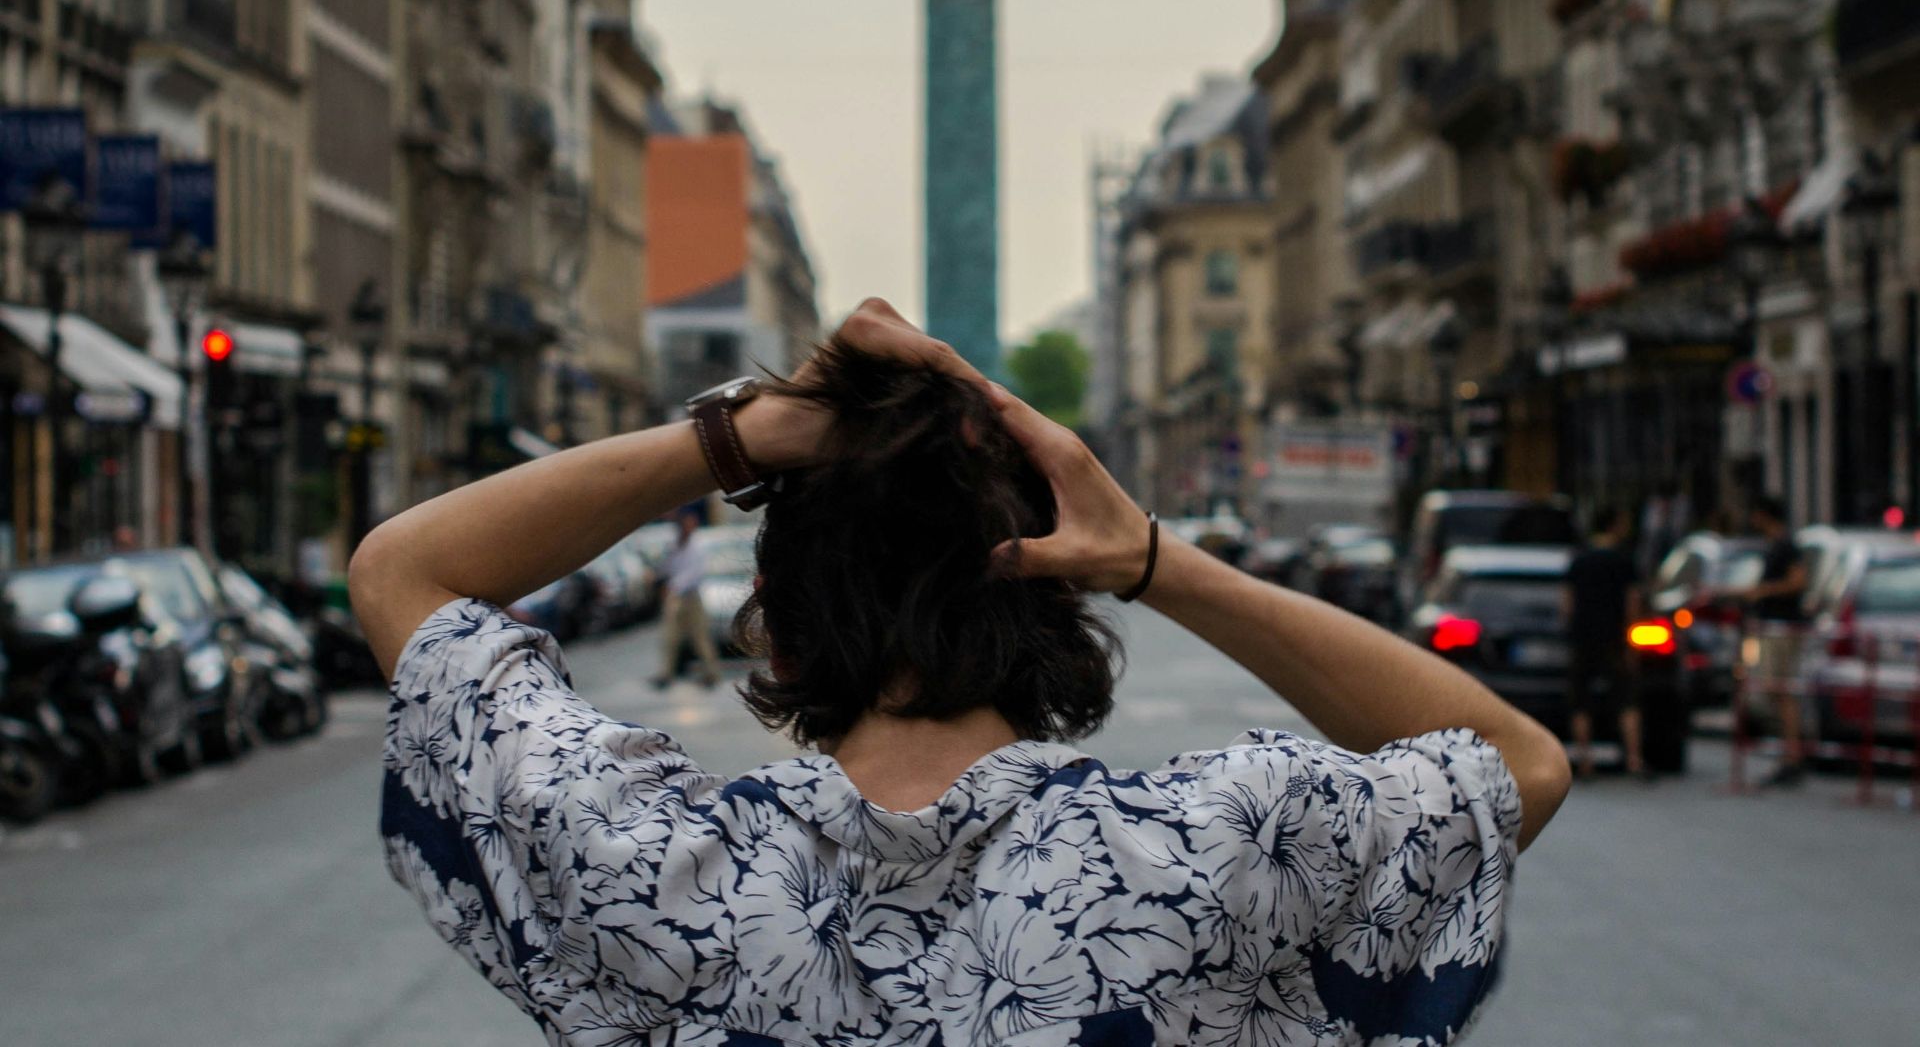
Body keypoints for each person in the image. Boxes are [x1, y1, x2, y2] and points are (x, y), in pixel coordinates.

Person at [349, 299, 1571, 1045]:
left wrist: (751, 430)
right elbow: (1519, 763)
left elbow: (405, 572)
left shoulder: (659, 877)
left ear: (771, 622)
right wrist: (1157, 560)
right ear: (1053, 599)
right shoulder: (1217, 851)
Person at [1565, 505, 1645, 779]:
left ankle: (1585, 760)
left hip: (1584, 638)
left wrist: (1572, 631)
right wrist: (1631, 640)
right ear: (1614, 524)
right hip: (1615, 639)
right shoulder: (1624, 561)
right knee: (1626, 699)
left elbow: (1567, 603)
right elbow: (1632, 603)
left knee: (1581, 701)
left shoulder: (1580, 560)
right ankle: (1634, 759)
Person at [1738, 496, 1810, 786]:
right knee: (1775, 689)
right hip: (1772, 625)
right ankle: (1789, 752)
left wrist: (1764, 591)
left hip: (1781, 626)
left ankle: (1792, 754)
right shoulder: (1774, 545)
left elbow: (1798, 581)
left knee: (1778, 688)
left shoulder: (1785, 545)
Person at [652, 510, 722, 689]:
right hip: (676, 596)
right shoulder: (674, 544)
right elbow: (667, 566)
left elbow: (695, 573)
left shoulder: (697, 546)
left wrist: (673, 586)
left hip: (690, 595)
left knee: (699, 636)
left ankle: (711, 673)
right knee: (670, 636)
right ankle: (666, 673)